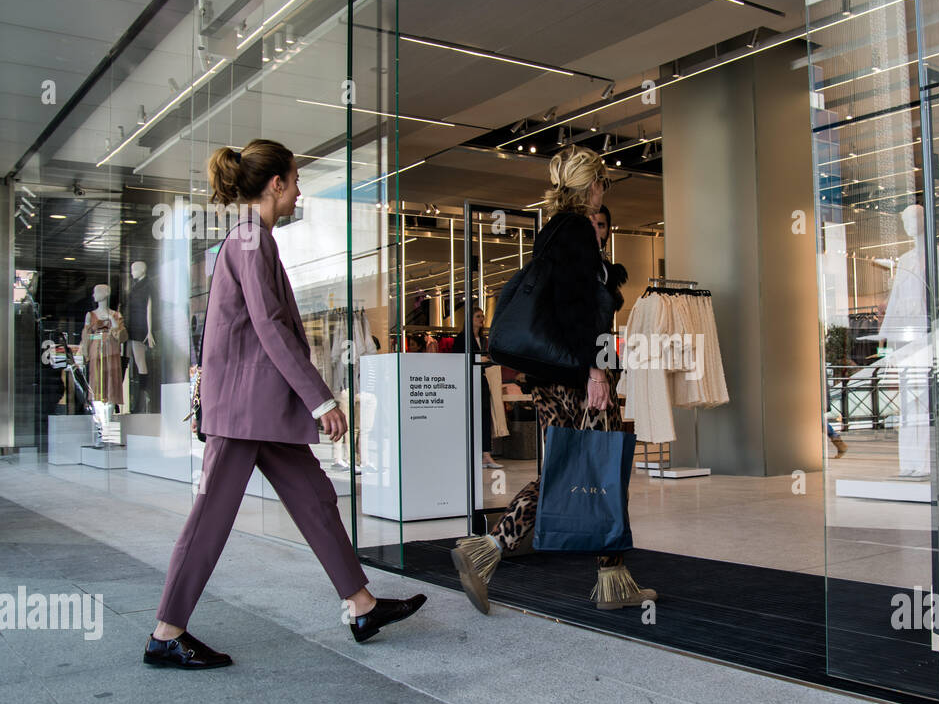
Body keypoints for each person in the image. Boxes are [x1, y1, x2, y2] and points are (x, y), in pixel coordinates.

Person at [145, 140, 425, 669]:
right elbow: (271, 328)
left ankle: (362, 605)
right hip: (243, 413)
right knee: (209, 519)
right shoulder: (252, 240)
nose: (299, 193)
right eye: (295, 181)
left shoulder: (253, 240)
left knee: (316, 499)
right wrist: (321, 401)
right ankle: (166, 633)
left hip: (260, 412)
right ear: (276, 183)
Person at [450, 146, 649, 613]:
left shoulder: (553, 231)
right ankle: (605, 579)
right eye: (602, 181)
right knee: (600, 467)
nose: (604, 189)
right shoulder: (578, 231)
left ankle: (492, 554)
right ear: (591, 184)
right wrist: (595, 370)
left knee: (569, 468)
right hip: (577, 377)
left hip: (552, 376)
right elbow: (576, 309)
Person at [452, 306, 502, 469]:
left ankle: (486, 454)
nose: (482, 319)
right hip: (468, 381)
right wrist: (478, 358)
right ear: (470, 319)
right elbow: (457, 359)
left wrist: (486, 360)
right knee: (470, 416)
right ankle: (473, 453)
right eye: (478, 316)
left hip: (481, 379)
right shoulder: (462, 338)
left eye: (482, 316)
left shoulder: (483, 339)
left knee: (485, 415)